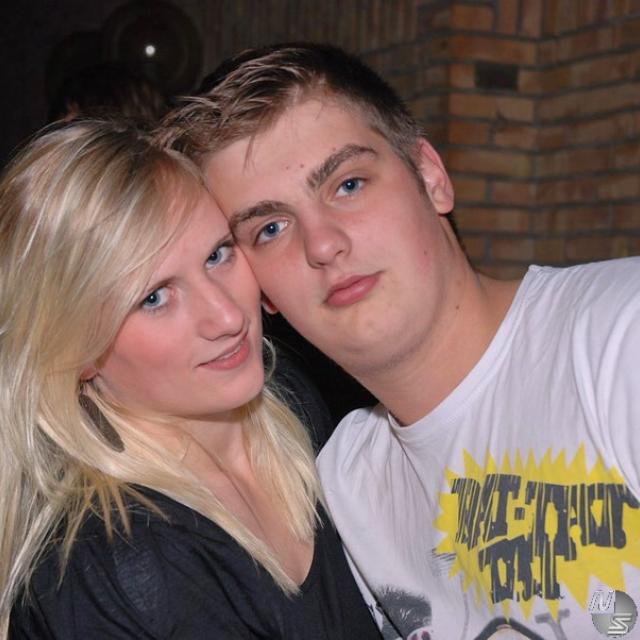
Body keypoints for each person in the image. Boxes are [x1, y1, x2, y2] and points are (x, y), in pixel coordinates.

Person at [159, 43, 640, 640]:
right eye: (271, 228)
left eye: (348, 184)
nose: (323, 244)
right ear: (263, 293)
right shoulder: (348, 485)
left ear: (431, 178)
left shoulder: (618, 337)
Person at [0, 118, 382, 639]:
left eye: (217, 255)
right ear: (76, 350)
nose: (227, 316)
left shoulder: (294, 405)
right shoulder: (113, 568)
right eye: (155, 298)